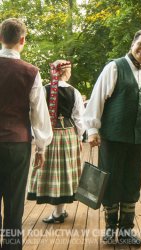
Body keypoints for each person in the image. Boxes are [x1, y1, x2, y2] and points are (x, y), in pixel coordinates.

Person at [83, 29, 141, 245]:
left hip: (136, 138)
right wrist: (93, 130)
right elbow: (97, 98)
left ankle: (126, 230)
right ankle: (109, 229)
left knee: (131, 182)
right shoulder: (114, 66)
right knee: (111, 181)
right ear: (133, 43)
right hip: (112, 136)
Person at [0, 18, 53, 249]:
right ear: (22, 40)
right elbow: (39, 114)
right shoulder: (31, 72)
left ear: (0, 38)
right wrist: (41, 147)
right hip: (17, 144)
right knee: (14, 202)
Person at [27, 60, 85, 224]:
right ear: (65, 72)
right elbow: (79, 118)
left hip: (48, 135)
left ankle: (58, 212)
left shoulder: (44, 90)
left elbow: (36, 115)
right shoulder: (75, 92)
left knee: (54, 173)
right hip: (68, 135)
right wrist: (79, 137)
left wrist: (37, 138)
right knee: (64, 171)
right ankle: (59, 211)